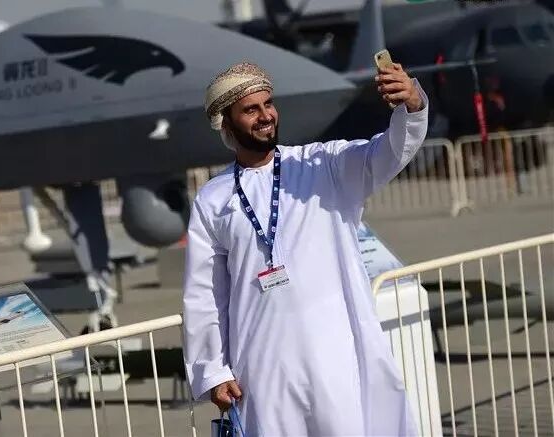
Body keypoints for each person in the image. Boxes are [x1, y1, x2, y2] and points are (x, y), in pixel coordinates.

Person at [182, 61, 428, 436]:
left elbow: (388, 153)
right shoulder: (213, 199)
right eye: (251, 109)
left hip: (336, 355)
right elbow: (204, 294)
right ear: (225, 123)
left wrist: (411, 105)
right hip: (262, 367)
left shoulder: (323, 165)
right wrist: (214, 371)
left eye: (268, 104)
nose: (265, 116)